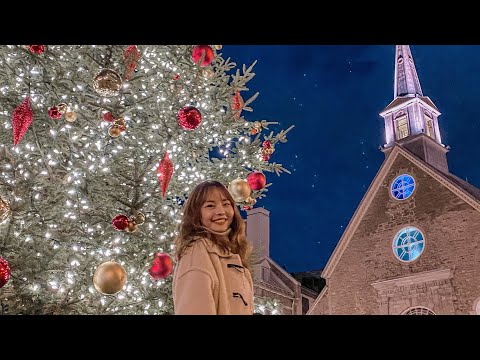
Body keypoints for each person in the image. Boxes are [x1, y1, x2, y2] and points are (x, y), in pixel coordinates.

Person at [173, 180, 254, 315]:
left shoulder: (230, 251)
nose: (221, 211)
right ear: (196, 213)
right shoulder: (196, 254)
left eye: (226, 204)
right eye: (210, 205)